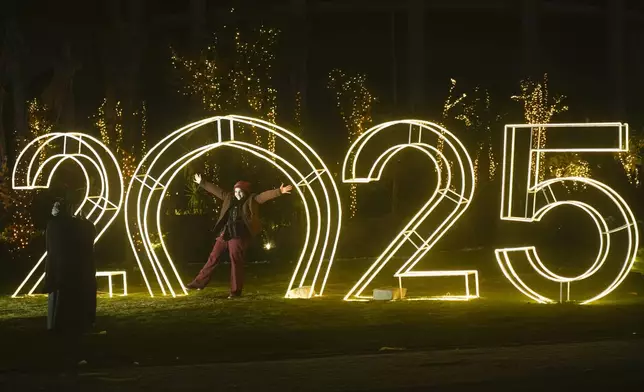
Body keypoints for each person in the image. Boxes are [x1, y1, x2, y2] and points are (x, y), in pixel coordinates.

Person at [186, 174, 293, 298]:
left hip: (238, 235)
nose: (237, 194)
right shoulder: (229, 197)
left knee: (236, 261)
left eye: (240, 192)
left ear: (245, 192)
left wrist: (279, 191)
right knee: (213, 257)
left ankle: (235, 291)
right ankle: (198, 283)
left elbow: (263, 197)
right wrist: (202, 182)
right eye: (236, 191)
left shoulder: (251, 200)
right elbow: (216, 190)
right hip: (225, 233)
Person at [44, 199, 96, 334]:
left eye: (56, 207)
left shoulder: (55, 224)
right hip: (69, 267)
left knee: (60, 294)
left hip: (59, 266)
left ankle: (58, 323)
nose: (53, 209)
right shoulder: (74, 224)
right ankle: (70, 322)